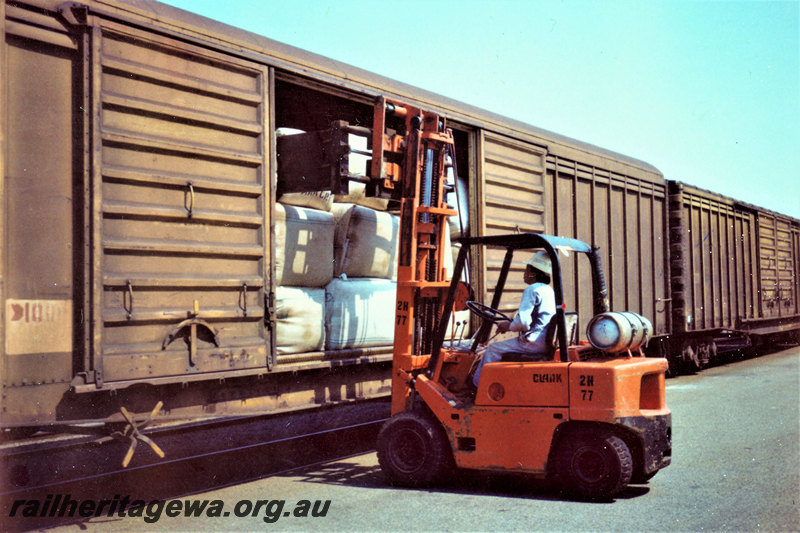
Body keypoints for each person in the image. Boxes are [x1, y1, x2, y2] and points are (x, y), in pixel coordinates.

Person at [472, 251, 556, 388]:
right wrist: (510, 324)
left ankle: (477, 388)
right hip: (544, 340)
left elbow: (523, 322)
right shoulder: (548, 290)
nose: (524, 272)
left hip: (533, 342)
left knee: (492, 348)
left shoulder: (532, 289)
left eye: (527, 269)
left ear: (533, 272)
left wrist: (508, 326)